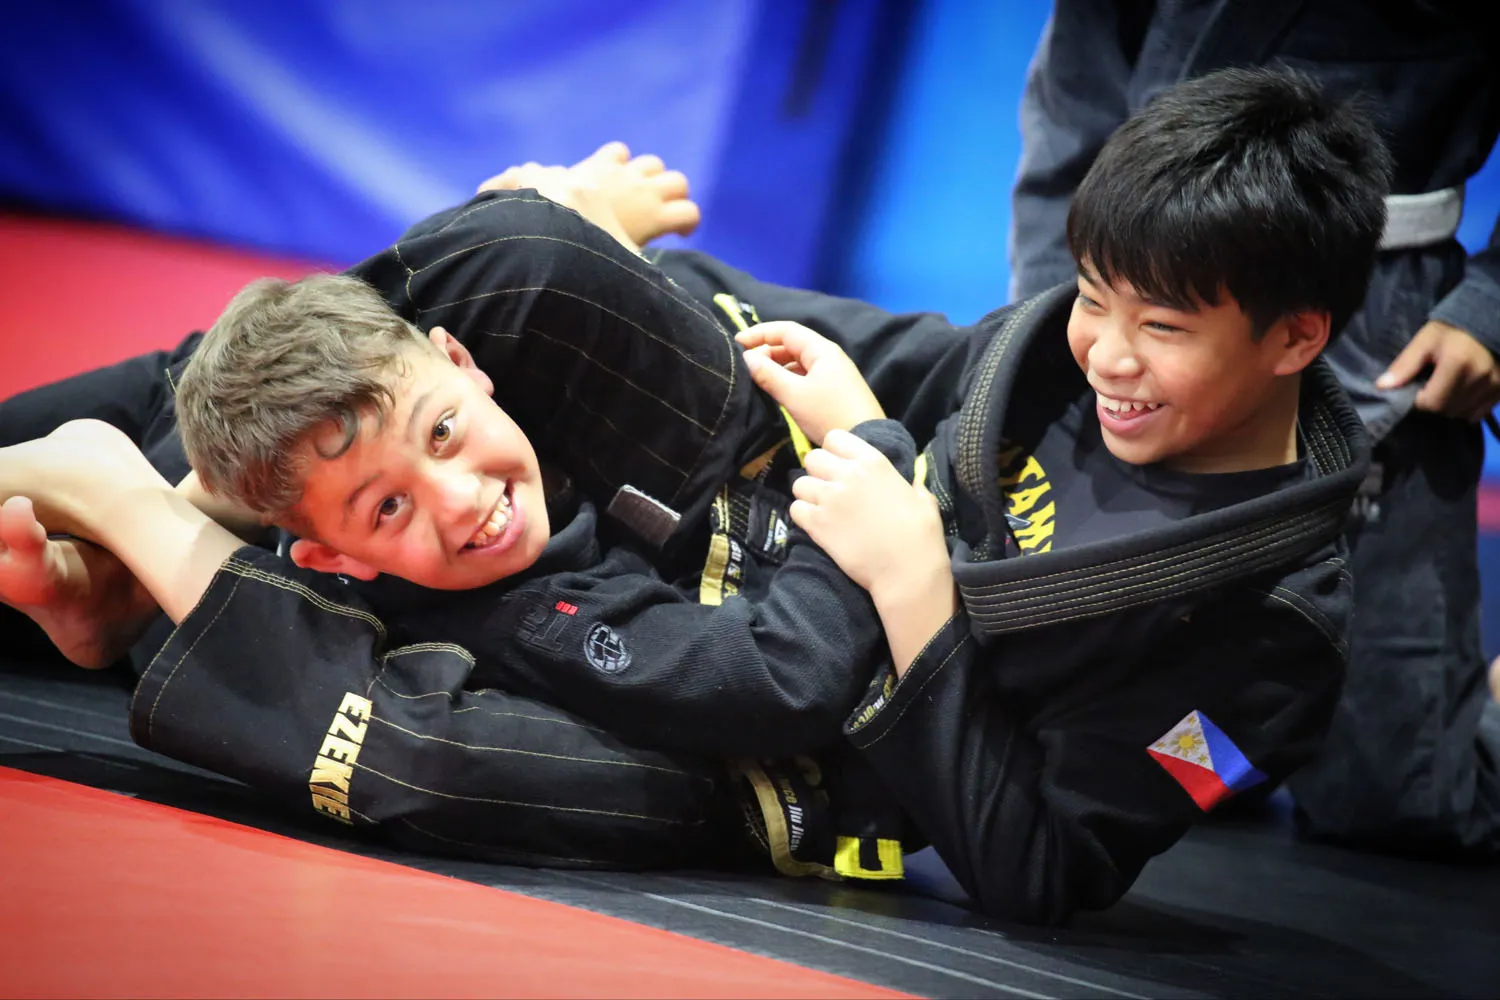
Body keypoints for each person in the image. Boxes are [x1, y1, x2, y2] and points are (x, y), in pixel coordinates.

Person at [2, 66, 1383, 923]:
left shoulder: (1268, 642)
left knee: (425, 754)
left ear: (1296, 338)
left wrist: (915, 589)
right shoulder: (1033, 368)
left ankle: (145, 532)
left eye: (1163, 331)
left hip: (787, 731)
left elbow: (1040, 865)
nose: (1108, 358)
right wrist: (578, 241)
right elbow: (753, 349)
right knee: (510, 262)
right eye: (1093, 300)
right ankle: (201, 498)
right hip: (711, 545)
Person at [1010, 0, 1500, 857]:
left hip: (1380, 325)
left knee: (1394, 803)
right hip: (1147, 262)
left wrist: (1492, 306)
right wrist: (1064, 323)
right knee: (1133, 759)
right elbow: (1075, 89)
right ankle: (1230, 753)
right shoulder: (1104, 342)